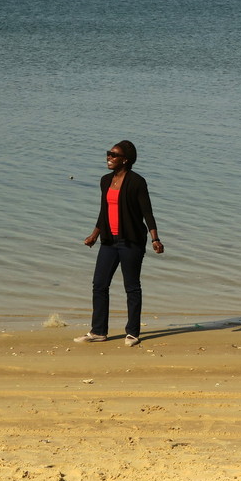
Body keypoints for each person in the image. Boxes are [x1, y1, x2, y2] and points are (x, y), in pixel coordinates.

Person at [76, 140, 164, 346]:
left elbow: (147, 212)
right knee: (99, 285)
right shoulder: (105, 180)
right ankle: (98, 331)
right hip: (108, 241)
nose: (109, 157)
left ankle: (132, 333)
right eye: (108, 153)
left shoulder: (137, 182)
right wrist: (94, 234)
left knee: (131, 287)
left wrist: (155, 238)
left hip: (131, 241)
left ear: (125, 160)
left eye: (113, 155)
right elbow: (104, 211)